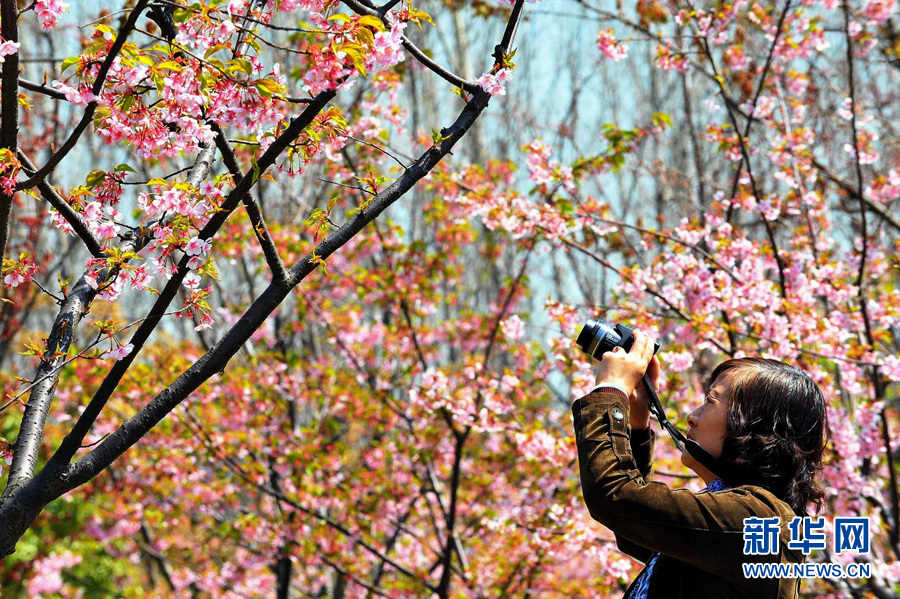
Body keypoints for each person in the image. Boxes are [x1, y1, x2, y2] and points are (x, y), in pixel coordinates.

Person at [573, 330, 828, 598]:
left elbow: (615, 497)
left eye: (710, 401)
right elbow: (634, 524)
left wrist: (610, 390)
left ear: (756, 427)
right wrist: (637, 423)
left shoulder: (757, 519)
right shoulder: (743, 524)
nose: (692, 417)